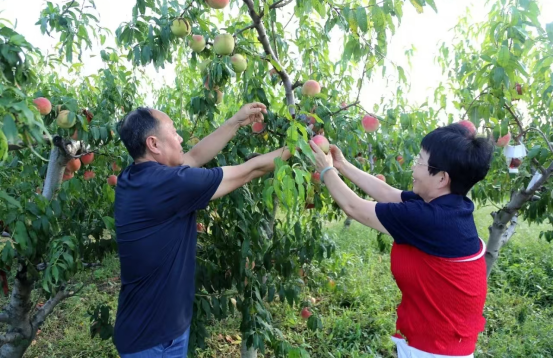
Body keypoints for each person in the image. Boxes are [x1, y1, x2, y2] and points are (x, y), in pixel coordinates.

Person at [113, 103, 291, 358]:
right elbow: (251, 170)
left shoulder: (133, 177)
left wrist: (235, 121)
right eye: (174, 132)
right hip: (156, 340)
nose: (180, 137)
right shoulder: (172, 184)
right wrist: (298, 147)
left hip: (146, 329)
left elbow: (194, 156)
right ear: (153, 144)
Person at [309, 123, 494, 359]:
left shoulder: (430, 219)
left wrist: (326, 171)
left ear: (441, 178)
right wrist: (342, 164)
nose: (413, 167)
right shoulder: (451, 206)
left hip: (435, 352)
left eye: (420, 161)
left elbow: (354, 207)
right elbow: (388, 193)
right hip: (438, 344)